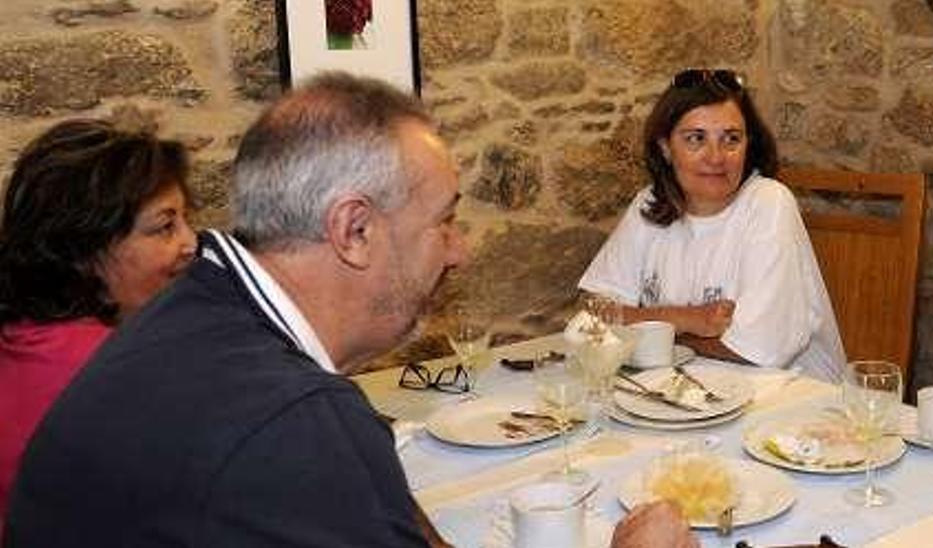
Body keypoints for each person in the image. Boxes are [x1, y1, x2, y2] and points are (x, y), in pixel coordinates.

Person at [3, 73, 695, 548]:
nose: (457, 252)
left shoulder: (195, 307)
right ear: (353, 230)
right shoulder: (294, 424)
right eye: (444, 221)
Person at [578, 69, 845, 381]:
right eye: (696, 139)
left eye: (731, 139)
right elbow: (590, 313)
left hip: (791, 408)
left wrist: (640, 326)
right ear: (665, 147)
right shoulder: (650, 203)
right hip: (684, 395)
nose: (716, 157)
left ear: (749, 144)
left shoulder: (770, 203)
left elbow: (755, 352)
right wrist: (687, 319)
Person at [0, 120, 196, 532]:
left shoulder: (24, 335)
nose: (190, 242)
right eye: (165, 227)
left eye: (184, 220)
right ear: (85, 248)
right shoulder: (119, 372)